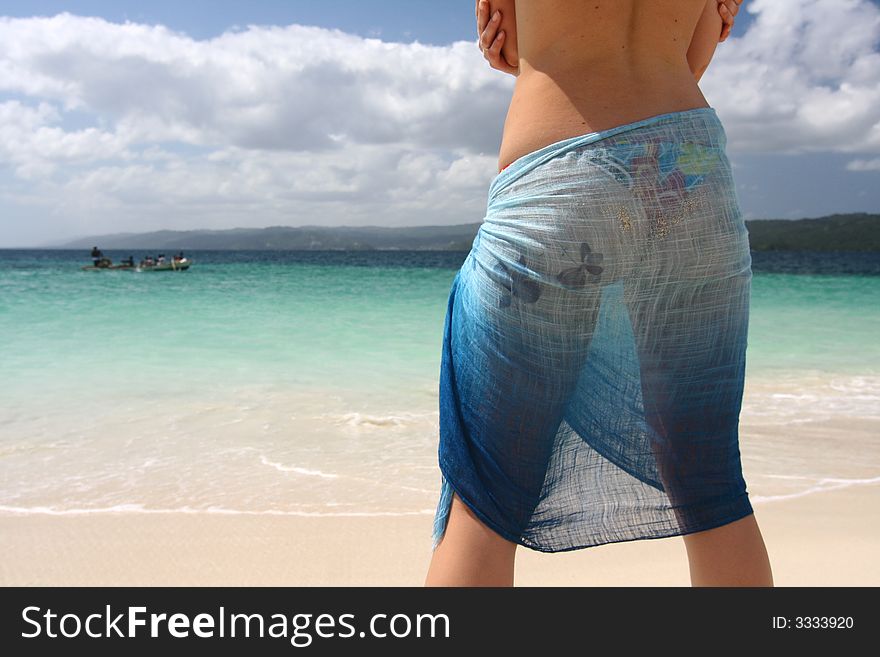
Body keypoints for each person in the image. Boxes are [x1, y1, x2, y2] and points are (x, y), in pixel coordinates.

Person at [425, 0, 773, 587]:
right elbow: (693, 58)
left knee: (483, 501)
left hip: (560, 177)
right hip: (689, 171)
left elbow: (504, 44)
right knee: (708, 484)